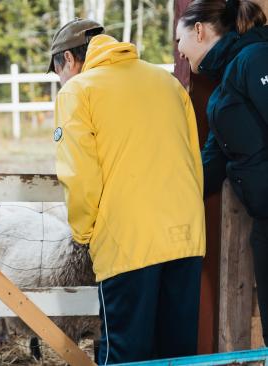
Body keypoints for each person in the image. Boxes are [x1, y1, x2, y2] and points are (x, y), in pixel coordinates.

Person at [50, 19, 206, 364]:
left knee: (126, 353)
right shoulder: (167, 82)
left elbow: (79, 176)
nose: (60, 80)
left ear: (69, 61)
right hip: (187, 236)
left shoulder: (78, 91)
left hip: (128, 240)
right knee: (178, 354)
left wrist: (85, 233)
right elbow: (194, 158)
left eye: (57, 72)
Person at [176, 0, 268, 346]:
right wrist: (170, 194)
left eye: (179, 41)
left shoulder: (254, 58)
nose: (180, 53)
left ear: (198, 30)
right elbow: (214, 156)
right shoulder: (229, 76)